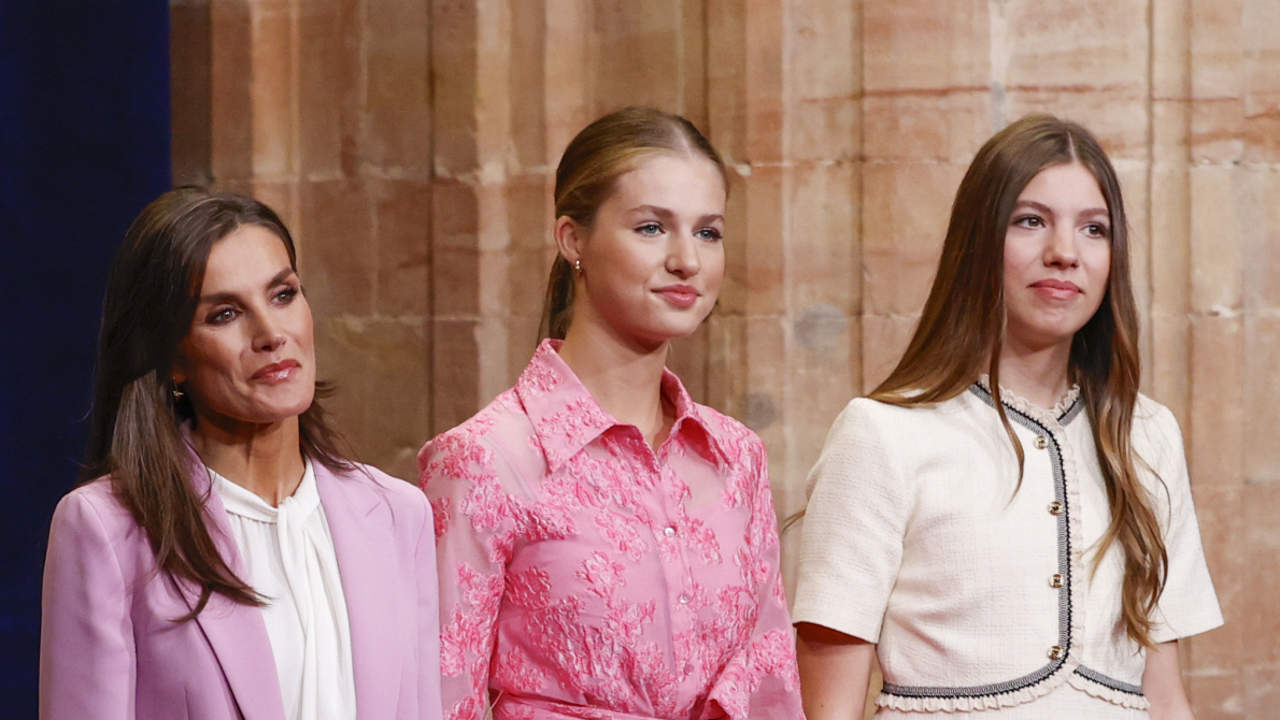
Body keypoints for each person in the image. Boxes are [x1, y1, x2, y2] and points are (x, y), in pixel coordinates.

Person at [792, 114, 1223, 719]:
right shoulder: (883, 433)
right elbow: (828, 707)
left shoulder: (1147, 436)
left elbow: (1167, 694)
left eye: (1093, 229)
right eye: (1030, 221)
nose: (1064, 253)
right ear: (978, 239)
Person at [418, 106, 804, 720]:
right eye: (652, 228)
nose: (687, 260)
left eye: (708, 232)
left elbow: (770, 676)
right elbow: (442, 693)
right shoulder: (485, 459)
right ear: (573, 239)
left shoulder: (735, 455)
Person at [40, 188, 442, 720]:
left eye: (283, 295)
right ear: (172, 358)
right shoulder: (106, 530)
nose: (272, 334)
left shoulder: (397, 514)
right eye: (225, 313)